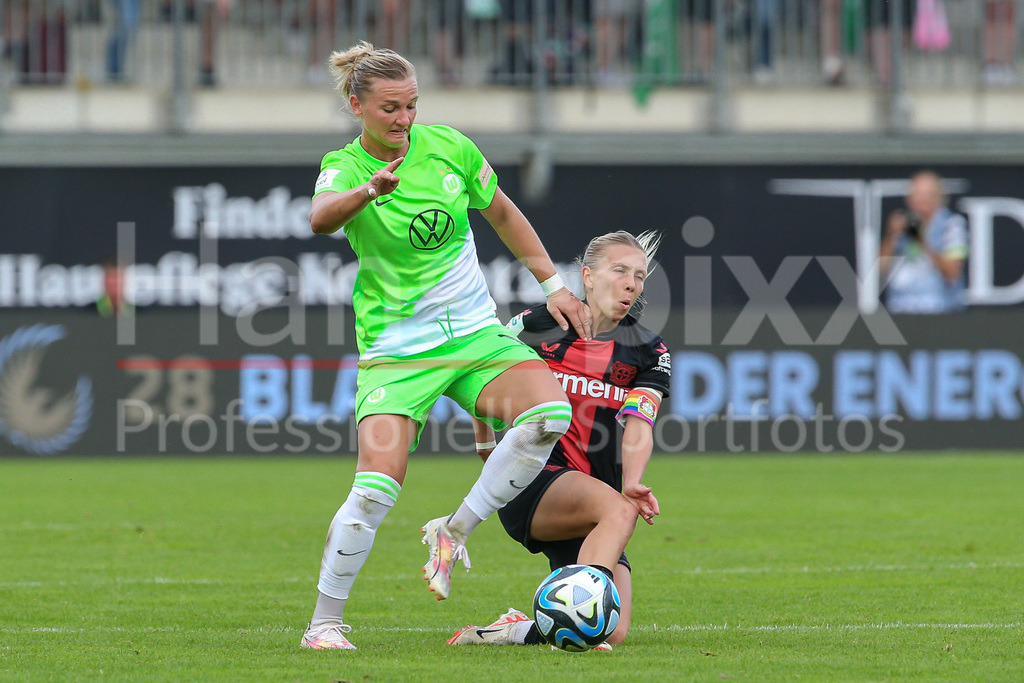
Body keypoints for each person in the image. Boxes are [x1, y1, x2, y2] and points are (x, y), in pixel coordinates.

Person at [300, 41, 591, 650]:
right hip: (398, 351)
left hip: (475, 336)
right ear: (357, 106)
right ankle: (324, 623)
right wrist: (368, 193)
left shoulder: (450, 147)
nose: (404, 119)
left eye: (410, 105)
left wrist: (556, 287)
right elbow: (321, 217)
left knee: (547, 417)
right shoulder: (346, 165)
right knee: (376, 487)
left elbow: (505, 214)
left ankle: (454, 530)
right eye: (389, 108)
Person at [448, 230, 671, 650]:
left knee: (611, 631)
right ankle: (565, 619)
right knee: (620, 514)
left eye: (639, 276)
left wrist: (633, 481)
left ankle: (511, 630)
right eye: (620, 270)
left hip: (592, 499)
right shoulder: (538, 326)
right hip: (533, 482)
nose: (630, 284)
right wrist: (485, 446)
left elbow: (640, 422)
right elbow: (476, 376)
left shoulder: (648, 349)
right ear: (587, 276)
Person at [880, 171, 968, 314]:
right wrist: (891, 235)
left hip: (940, 312)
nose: (922, 201)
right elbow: (880, 272)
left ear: (939, 197)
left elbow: (952, 273)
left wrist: (922, 240)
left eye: (928, 195)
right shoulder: (902, 225)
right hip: (900, 310)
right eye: (917, 195)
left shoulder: (952, 225)